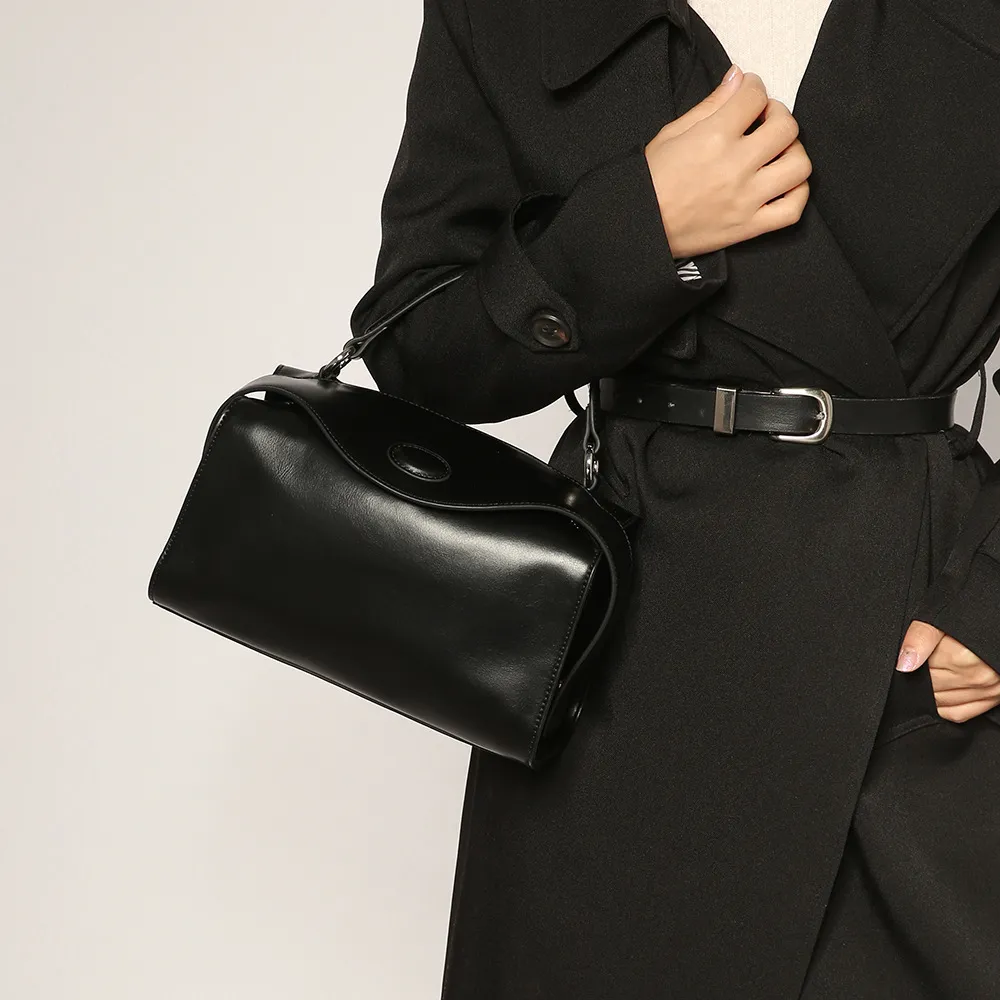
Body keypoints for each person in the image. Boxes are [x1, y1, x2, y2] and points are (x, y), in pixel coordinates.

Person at [349, 0, 1000, 996]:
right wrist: (635, 232)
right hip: (627, 659)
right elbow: (416, 344)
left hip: (911, 641)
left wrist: (991, 592)